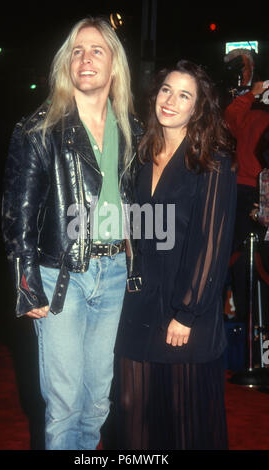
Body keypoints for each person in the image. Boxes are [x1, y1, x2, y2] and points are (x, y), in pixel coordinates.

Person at [2, 17, 143, 450]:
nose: (86, 58)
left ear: (114, 65)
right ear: (66, 63)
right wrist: (26, 287)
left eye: (97, 50)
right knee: (63, 404)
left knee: (98, 401)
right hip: (60, 277)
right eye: (77, 51)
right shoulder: (39, 128)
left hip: (116, 272)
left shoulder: (132, 129)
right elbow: (17, 214)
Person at [114, 60, 237, 450]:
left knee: (185, 423)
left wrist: (186, 312)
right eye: (166, 89)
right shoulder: (140, 154)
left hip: (187, 310)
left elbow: (212, 244)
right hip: (138, 303)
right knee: (132, 410)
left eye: (184, 95)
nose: (171, 100)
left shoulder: (213, 160)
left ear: (197, 108)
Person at [224, 49, 269, 322]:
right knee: (240, 260)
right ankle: (244, 325)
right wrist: (252, 93)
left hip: (256, 194)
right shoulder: (251, 109)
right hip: (243, 191)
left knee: (254, 261)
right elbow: (230, 118)